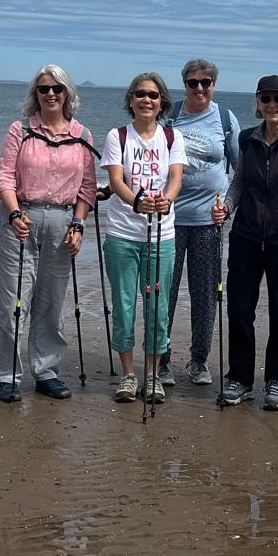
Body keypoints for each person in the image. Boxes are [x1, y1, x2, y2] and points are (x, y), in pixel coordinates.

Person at [0, 65, 97, 402]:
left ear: (68, 94)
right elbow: (4, 177)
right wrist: (15, 212)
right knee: (12, 302)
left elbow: (87, 189)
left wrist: (78, 225)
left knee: (51, 301)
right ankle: (6, 374)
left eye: (57, 88)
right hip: (19, 220)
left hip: (63, 224)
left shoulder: (82, 135)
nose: (50, 94)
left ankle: (46, 371)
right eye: (43, 89)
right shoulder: (19, 130)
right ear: (35, 94)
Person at [211, 75, 278, 412]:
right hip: (245, 236)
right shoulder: (246, 139)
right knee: (239, 309)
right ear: (258, 103)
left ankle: (277, 381)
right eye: (266, 99)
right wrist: (226, 207)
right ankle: (240, 379)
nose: (272, 105)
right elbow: (239, 182)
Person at [101, 73, 188, 403]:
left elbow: (176, 178)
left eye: (153, 95)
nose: (146, 100)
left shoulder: (171, 137)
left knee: (157, 306)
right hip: (123, 235)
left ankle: (152, 376)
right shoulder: (117, 136)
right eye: (140, 94)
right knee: (124, 306)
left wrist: (167, 199)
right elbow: (116, 180)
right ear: (131, 100)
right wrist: (137, 201)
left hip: (161, 236)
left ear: (162, 101)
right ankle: (128, 375)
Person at [158, 58, 241, 387]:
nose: (200, 88)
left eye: (206, 82)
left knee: (205, 294)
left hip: (210, 223)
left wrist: (229, 207)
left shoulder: (224, 118)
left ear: (214, 85)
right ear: (185, 84)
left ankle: (198, 360)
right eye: (193, 82)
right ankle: (161, 360)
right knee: (165, 292)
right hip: (170, 221)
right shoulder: (171, 116)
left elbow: (241, 173)